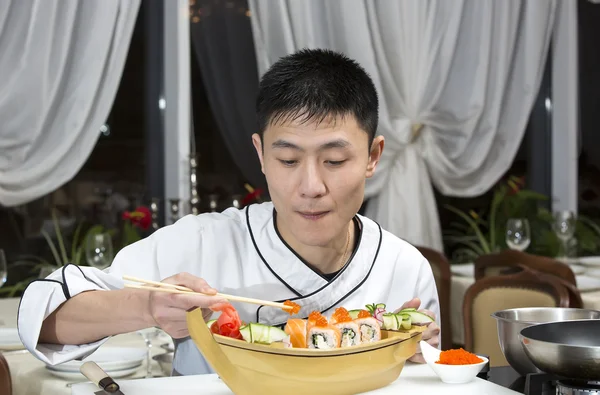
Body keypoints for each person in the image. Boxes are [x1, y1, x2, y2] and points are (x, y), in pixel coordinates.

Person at [18, 48, 440, 376]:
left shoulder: (404, 270)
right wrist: (148, 307)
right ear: (260, 155)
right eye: (289, 161)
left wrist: (418, 367)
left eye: (334, 161)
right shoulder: (202, 242)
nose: (312, 187)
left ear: (373, 156)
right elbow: (46, 318)